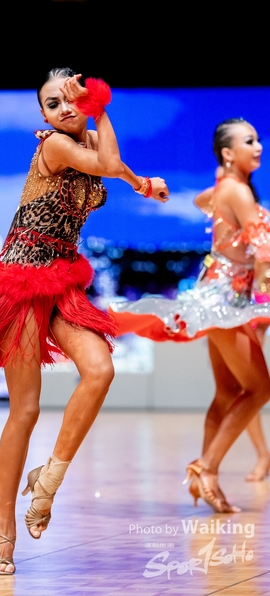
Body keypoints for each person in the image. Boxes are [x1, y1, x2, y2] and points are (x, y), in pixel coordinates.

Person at [0, 68, 169, 575]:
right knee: (26, 410)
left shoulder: (88, 139)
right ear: (44, 116)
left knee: (100, 369)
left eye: (70, 99)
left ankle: (47, 482)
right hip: (21, 282)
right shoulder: (55, 145)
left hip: (60, 281)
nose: (63, 109)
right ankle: (4, 526)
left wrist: (142, 184)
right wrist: (100, 109)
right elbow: (107, 164)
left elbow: (115, 166)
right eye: (52, 104)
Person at [109, 118, 270, 512]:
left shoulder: (228, 189)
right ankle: (206, 467)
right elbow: (264, 252)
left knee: (228, 393)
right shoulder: (238, 191)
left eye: (258, 140)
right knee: (260, 389)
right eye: (249, 141)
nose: (259, 147)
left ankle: (205, 478)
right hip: (226, 303)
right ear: (228, 153)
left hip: (219, 296)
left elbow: (203, 202)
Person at [195, 170, 270, 482]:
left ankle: (209, 469)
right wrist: (225, 182)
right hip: (233, 302)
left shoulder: (260, 216)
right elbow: (201, 200)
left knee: (245, 388)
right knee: (240, 388)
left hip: (253, 303)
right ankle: (212, 468)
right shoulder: (232, 203)